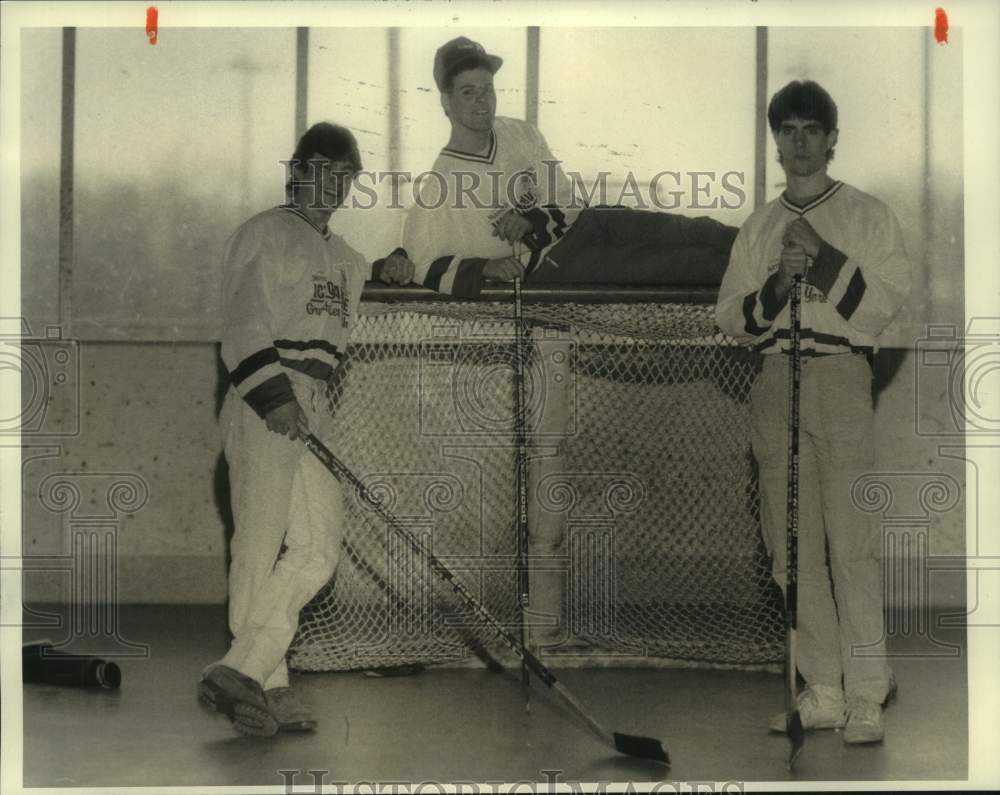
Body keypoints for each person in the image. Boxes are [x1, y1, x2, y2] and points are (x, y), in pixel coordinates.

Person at [199, 122, 411, 737]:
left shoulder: (346, 259)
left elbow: (369, 285)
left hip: (312, 404)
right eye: (320, 168)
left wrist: (395, 265)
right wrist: (272, 396)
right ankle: (269, 687)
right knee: (260, 545)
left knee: (318, 548)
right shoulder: (262, 235)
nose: (332, 183)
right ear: (296, 170)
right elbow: (243, 323)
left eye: (345, 175)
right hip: (261, 397)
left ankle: (242, 668)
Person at [715, 81, 911, 744]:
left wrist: (823, 263)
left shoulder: (866, 215)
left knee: (850, 545)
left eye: (810, 131)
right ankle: (822, 688)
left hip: (840, 377)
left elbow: (889, 308)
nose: (798, 144)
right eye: (787, 131)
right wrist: (777, 283)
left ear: (832, 138)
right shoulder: (759, 227)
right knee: (790, 549)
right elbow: (732, 319)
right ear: (776, 141)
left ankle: (866, 692)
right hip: (776, 378)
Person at [400, 36, 739, 300]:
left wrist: (531, 219)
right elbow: (418, 263)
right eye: (468, 91)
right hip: (554, 262)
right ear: (446, 101)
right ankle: (780, 275)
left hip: (590, 222)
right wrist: (486, 266)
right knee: (687, 263)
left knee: (694, 230)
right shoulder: (439, 183)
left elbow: (568, 199)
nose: (482, 100)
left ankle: (770, 245)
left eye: (487, 89)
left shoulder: (520, 133)